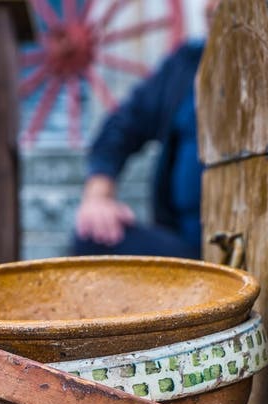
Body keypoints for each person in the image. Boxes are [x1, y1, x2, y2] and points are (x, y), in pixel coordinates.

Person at [73, 0, 221, 259]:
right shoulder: (186, 63)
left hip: (252, 246)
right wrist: (98, 195)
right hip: (190, 249)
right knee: (93, 238)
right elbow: (123, 124)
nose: (208, 7)